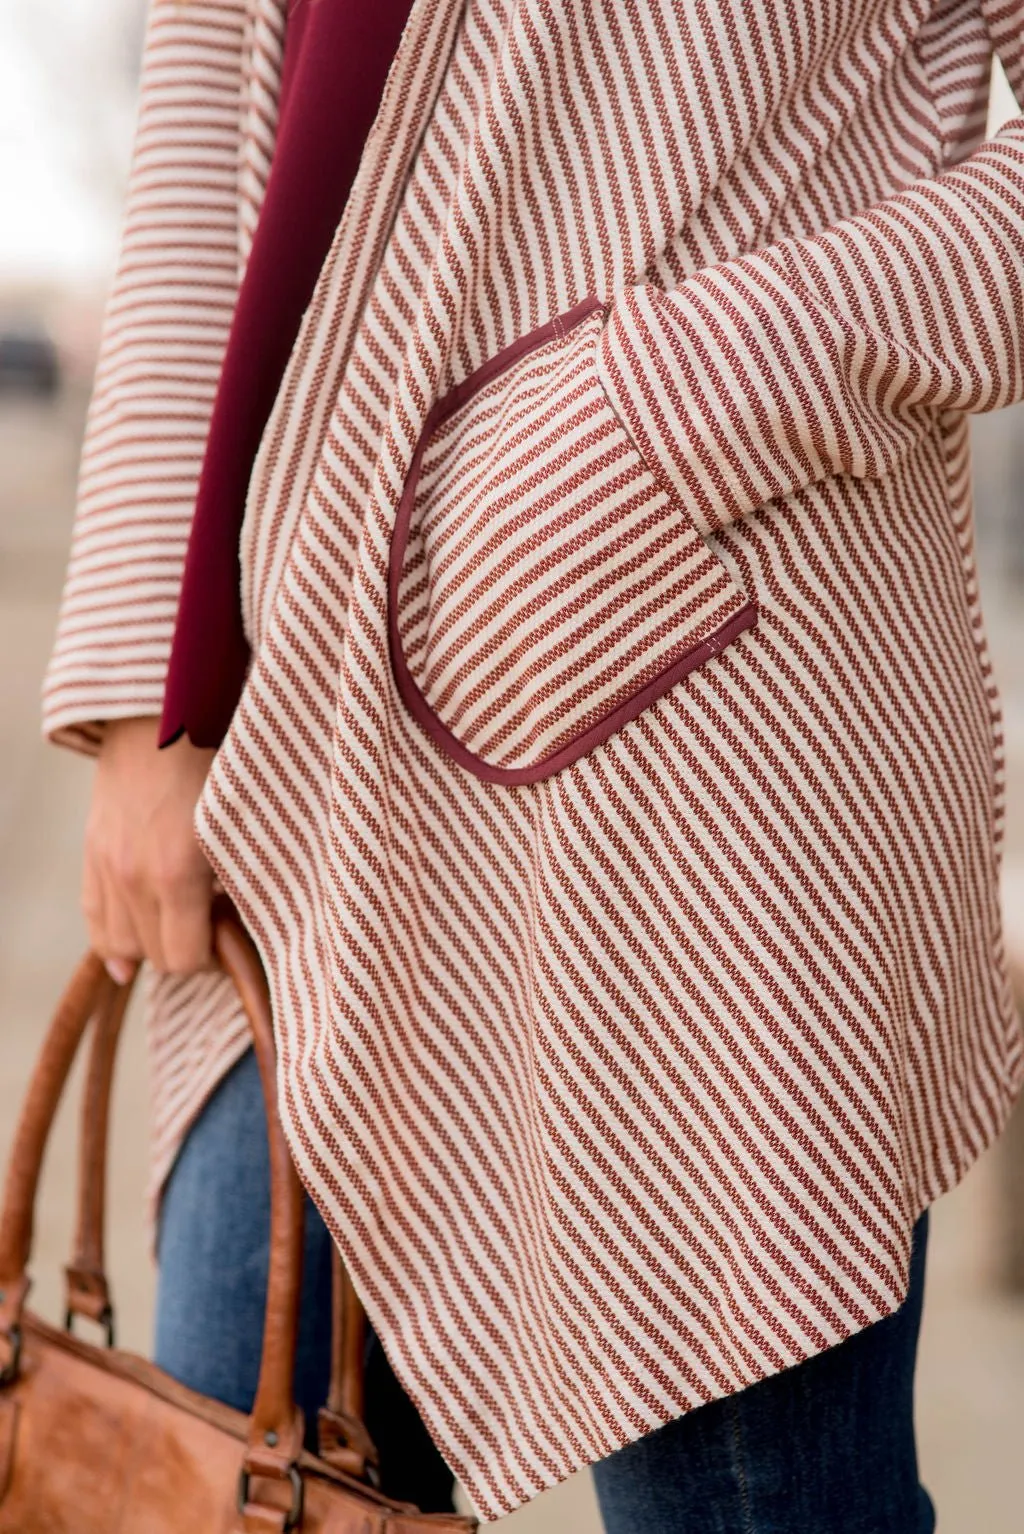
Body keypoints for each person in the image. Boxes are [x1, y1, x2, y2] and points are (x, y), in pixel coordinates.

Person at [45, 1, 1024, 1529]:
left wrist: (692, 388)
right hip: (299, 761)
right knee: (245, 1481)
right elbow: (204, 84)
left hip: (719, 741)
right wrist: (142, 706)